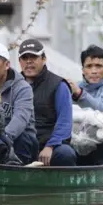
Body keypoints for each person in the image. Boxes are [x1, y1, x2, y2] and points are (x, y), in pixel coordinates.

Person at [18, 38, 77, 166]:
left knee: (66, 154)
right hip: (23, 143)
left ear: (44, 59)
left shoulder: (58, 85)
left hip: (51, 145)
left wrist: (50, 146)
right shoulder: (14, 85)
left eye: (33, 57)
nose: (29, 61)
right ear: (19, 61)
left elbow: (65, 122)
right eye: (24, 57)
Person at [67, 45, 103, 165]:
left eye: (98, 66)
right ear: (83, 70)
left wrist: (80, 95)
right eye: (89, 66)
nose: (94, 71)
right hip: (80, 140)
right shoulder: (75, 88)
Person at [0, 41, 39, 164]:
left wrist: (4, 138)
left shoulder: (22, 87)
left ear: (6, 65)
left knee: (22, 138)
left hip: (21, 140)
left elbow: (21, 118)